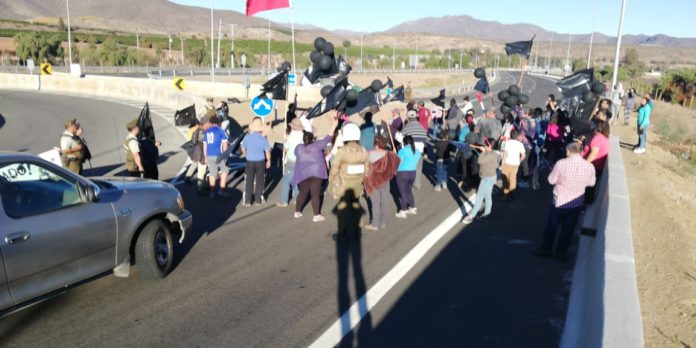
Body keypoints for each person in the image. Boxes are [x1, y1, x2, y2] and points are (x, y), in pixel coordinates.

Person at [531, 143, 596, 260]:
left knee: (551, 227)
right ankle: (561, 252)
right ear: (581, 152)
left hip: (559, 202)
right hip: (577, 203)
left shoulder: (561, 164)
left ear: (568, 151)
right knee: (568, 229)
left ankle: (546, 249)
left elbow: (551, 180)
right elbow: (591, 183)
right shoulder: (589, 166)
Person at [292, 117, 339, 221]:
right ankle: (316, 215)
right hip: (316, 173)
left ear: (303, 140)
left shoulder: (299, 148)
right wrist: (334, 126)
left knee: (302, 193)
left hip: (303, 174)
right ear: (313, 139)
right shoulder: (317, 145)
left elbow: (296, 154)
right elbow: (328, 137)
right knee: (315, 194)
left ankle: (297, 212)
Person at [363, 135, 400, 231]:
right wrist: (395, 154)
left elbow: (365, 166)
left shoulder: (370, 154)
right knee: (384, 201)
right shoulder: (389, 154)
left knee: (375, 203)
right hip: (385, 180)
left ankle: (375, 224)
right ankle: (382, 222)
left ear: (376, 144)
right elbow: (397, 164)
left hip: (374, 181)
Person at [462, 138, 500, 224]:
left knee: (479, 197)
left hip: (486, 179)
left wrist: (483, 152)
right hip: (492, 177)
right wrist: (485, 151)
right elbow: (496, 164)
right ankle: (487, 214)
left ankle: (471, 216)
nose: (484, 145)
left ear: (490, 146)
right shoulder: (494, 153)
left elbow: (480, 161)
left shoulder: (489, 155)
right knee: (487, 197)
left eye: (486, 144)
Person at [241, 118, 271, 205]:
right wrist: (268, 160)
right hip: (260, 161)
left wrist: (246, 154)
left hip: (249, 161)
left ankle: (247, 201)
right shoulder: (263, 139)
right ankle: (258, 200)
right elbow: (267, 151)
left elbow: (243, 148)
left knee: (249, 181)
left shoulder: (247, 137)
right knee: (259, 181)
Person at [277, 118, 304, 207]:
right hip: (300, 161)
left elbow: (285, 149)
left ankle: (283, 201)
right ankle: (296, 198)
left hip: (292, 160)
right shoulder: (302, 135)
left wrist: (285, 142)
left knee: (286, 180)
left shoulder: (291, 136)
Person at [203, 116, 231, 198]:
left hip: (209, 155)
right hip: (219, 155)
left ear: (210, 123)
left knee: (212, 173)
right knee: (225, 170)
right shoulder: (221, 131)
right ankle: (221, 190)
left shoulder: (206, 132)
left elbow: (204, 146)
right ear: (218, 123)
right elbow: (225, 145)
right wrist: (226, 155)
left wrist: (205, 157)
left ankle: (212, 192)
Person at [400, 110, 428, 190]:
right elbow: (425, 141)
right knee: (418, 168)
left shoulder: (406, 127)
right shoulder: (421, 127)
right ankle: (417, 183)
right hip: (420, 151)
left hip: (410, 150)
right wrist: (425, 154)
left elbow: (401, 138)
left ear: (408, 118)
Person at [395, 135, 421, 218]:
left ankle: (403, 210)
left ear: (405, 143)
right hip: (412, 173)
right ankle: (413, 207)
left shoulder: (402, 151)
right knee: (408, 191)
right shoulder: (417, 152)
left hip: (402, 173)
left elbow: (398, 162)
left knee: (403, 193)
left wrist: (395, 154)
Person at [500, 129, 526, 200]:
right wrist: (519, 161)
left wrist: (502, 162)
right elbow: (523, 155)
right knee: (512, 179)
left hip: (507, 163)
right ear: (517, 136)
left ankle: (506, 194)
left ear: (510, 135)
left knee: (505, 179)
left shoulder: (507, 142)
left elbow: (505, 153)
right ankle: (511, 194)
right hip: (515, 164)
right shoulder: (520, 144)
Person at [184, 116, 208, 192]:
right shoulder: (200, 130)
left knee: (196, 164)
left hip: (195, 150)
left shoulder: (193, 130)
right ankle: (200, 186)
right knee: (200, 167)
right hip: (200, 151)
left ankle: (188, 177)